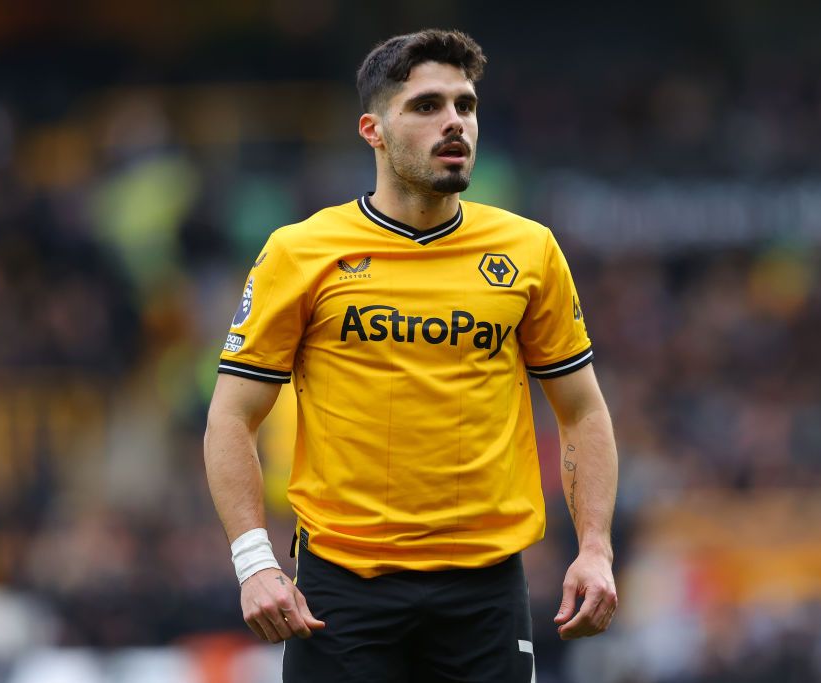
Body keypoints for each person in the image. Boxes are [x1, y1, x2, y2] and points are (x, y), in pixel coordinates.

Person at [204, 29, 619, 682]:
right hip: (341, 589)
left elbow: (583, 410)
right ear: (373, 129)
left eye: (466, 105)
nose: (454, 122)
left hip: (485, 592)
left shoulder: (529, 250)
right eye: (427, 106)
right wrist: (255, 561)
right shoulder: (301, 251)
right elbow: (230, 416)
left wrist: (595, 547)